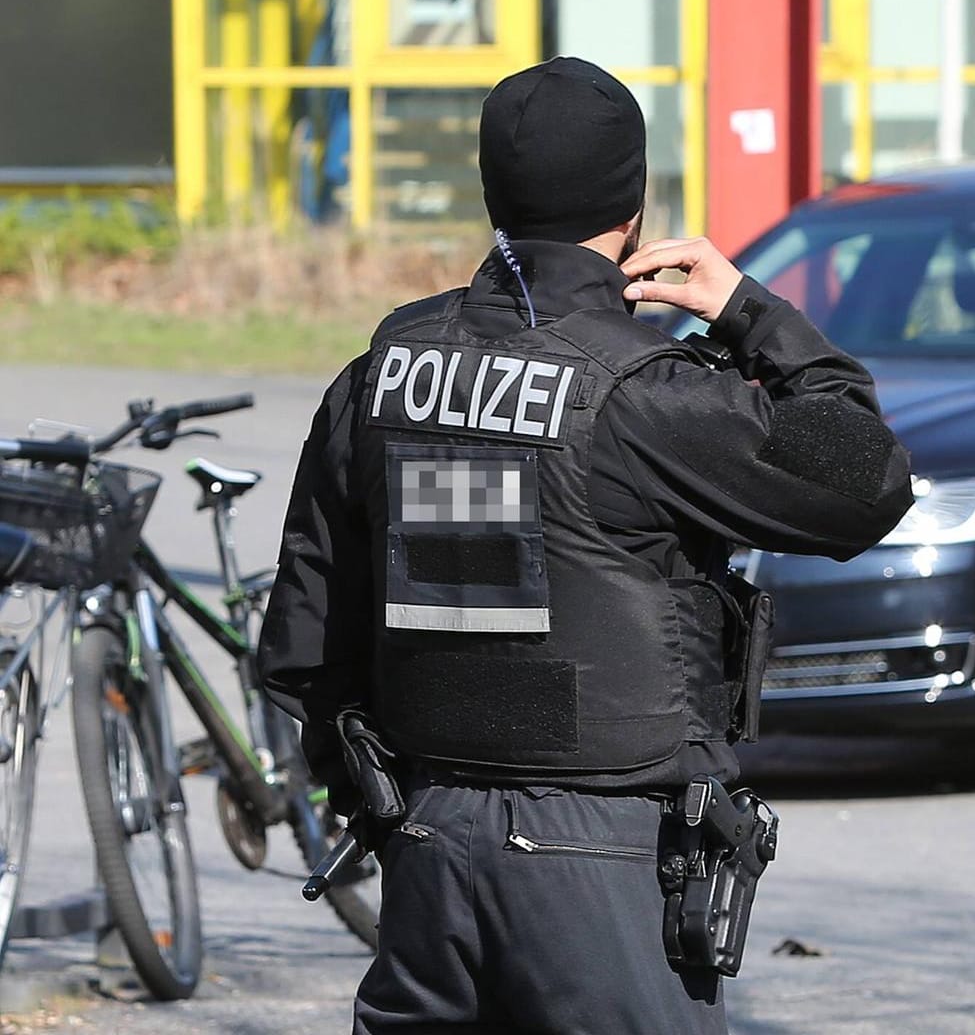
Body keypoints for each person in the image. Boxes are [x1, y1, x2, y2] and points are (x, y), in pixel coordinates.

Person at [259, 56, 914, 1034]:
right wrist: (747, 311)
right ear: (633, 210)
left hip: (427, 843)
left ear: (493, 195)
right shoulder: (638, 395)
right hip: (600, 855)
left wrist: (392, 816)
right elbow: (866, 480)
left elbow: (307, 644)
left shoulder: (382, 374)